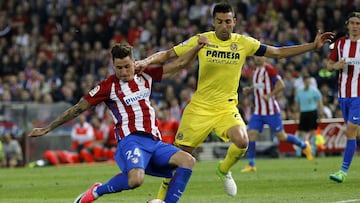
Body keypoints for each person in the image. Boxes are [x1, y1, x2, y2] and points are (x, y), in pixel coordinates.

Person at [137, 2, 334, 197]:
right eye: (220, 21)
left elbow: (278, 52)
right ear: (213, 22)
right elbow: (168, 54)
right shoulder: (201, 40)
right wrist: (145, 61)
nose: (224, 26)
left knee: (242, 140)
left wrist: (312, 46)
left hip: (226, 108)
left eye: (228, 21)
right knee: (178, 159)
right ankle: (161, 199)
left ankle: (223, 169)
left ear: (235, 22)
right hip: (199, 108)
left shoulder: (244, 43)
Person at [28, 41, 206, 203]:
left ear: (134, 62)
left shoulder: (145, 75)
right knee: (136, 180)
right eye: (118, 68)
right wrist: (47, 128)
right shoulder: (108, 86)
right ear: (113, 66)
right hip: (131, 140)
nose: (123, 72)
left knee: (188, 160)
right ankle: (98, 190)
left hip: (154, 141)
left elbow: (179, 64)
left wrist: (197, 48)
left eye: (127, 66)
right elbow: (77, 109)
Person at [241, 56, 313, 173]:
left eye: (261, 56)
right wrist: (250, 89)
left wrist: (269, 95)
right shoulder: (254, 70)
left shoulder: (269, 69)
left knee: (282, 136)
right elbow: (259, 86)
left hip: (271, 111)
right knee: (251, 135)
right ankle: (251, 164)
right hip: (258, 111)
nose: (258, 59)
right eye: (256, 57)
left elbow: (281, 85)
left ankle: (304, 146)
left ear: (264, 58)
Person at [328, 12, 360, 183]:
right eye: (353, 23)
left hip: (358, 95)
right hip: (343, 95)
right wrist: (335, 66)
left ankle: (343, 171)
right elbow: (327, 64)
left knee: (349, 131)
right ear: (347, 25)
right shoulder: (340, 44)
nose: (355, 26)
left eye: (358, 23)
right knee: (356, 133)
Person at [294, 75, 323, 157]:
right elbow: (297, 104)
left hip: (312, 112)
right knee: (300, 133)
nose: (307, 82)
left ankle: (313, 151)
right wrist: (296, 115)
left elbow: (320, 102)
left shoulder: (314, 91)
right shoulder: (299, 92)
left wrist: (321, 113)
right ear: (303, 82)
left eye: (308, 81)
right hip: (303, 113)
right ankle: (299, 152)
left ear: (310, 81)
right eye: (306, 81)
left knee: (313, 132)